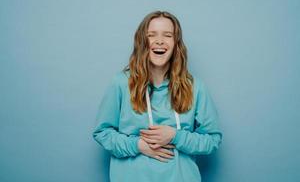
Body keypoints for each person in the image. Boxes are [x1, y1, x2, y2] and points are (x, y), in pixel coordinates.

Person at [93, 10, 223, 182]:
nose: (159, 41)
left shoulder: (195, 87)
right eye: (151, 35)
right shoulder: (121, 83)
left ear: (176, 43)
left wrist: (175, 136)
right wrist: (138, 145)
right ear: (142, 42)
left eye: (168, 35)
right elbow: (102, 132)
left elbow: (213, 140)